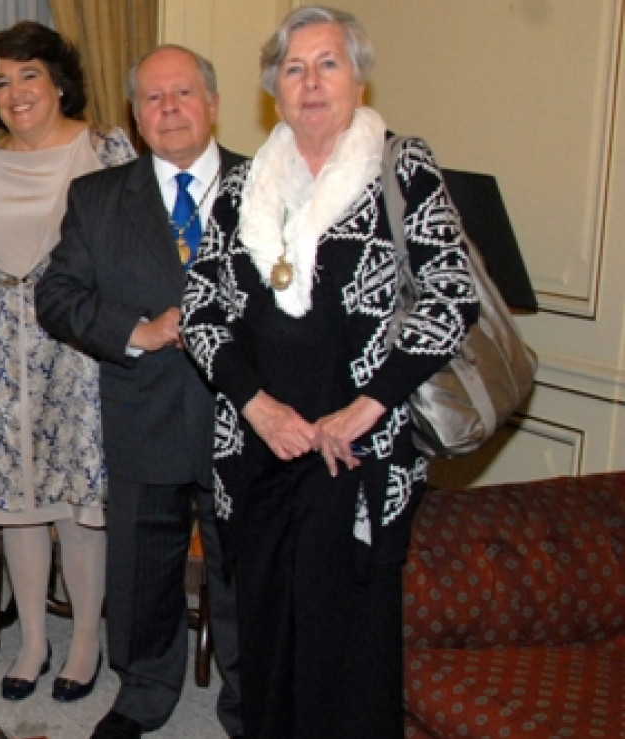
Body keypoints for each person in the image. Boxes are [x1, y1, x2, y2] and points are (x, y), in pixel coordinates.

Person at [180, 7, 478, 737]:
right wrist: (256, 406)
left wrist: (367, 406)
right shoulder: (240, 185)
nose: (311, 83)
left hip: (357, 450)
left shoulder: (400, 165)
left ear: (359, 77)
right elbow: (199, 309)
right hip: (259, 447)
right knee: (266, 633)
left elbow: (451, 295)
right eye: (294, 67)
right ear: (272, 88)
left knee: (347, 646)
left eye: (328, 64)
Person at [37, 45, 246, 739]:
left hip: (247, 417)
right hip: (142, 410)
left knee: (244, 566)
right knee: (141, 568)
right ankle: (145, 690)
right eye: (153, 99)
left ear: (213, 103)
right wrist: (136, 329)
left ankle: (250, 701)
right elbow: (58, 296)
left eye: (183, 93)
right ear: (135, 113)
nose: (169, 109)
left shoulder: (269, 184)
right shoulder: (99, 196)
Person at [0, 20, 133, 707]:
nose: (16, 91)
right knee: (17, 506)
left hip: (81, 354)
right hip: (3, 357)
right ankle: (34, 639)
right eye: (1, 81)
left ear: (59, 81)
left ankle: (86, 637)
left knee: (78, 506)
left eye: (29, 74)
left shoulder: (106, 151)